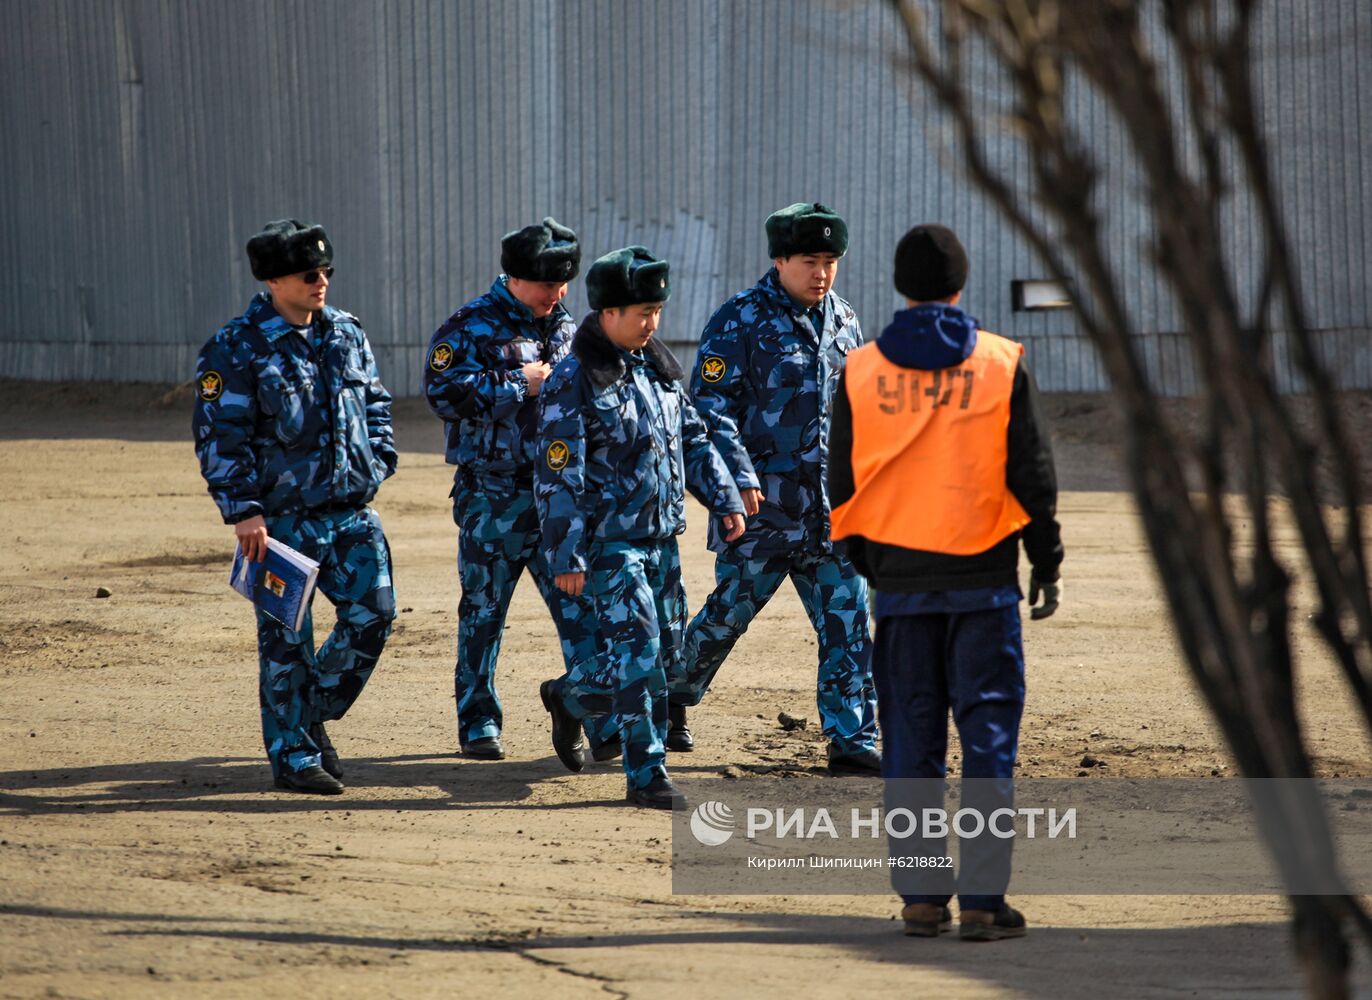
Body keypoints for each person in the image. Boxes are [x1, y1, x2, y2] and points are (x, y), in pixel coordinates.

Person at [828, 223, 1063, 941]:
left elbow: (841, 480)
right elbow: (1031, 471)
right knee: (988, 738)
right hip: (985, 580)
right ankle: (985, 903)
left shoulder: (861, 369)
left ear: (900, 288)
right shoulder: (1000, 361)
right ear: (960, 285)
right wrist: (1044, 556)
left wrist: (873, 563)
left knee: (909, 740)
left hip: (901, 584)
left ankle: (922, 898)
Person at [535, 247, 746, 809]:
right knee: (641, 658)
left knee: (668, 659)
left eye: (656, 309)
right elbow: (559, 477)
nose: (652, 322)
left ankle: (571, 698)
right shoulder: (573, 380)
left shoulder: (658, 368)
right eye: (640, 312)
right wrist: (566, 554)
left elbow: (695, 441)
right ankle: (646, 773)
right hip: (610, 546)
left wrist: (724, 499)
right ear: (606, 313)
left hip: (661, 540)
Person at [193, 219, 398, 795]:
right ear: (276, 279)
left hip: (352, 511)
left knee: (375, 615)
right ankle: (294, 757)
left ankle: (308, 713)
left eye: (327, 271)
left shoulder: (345, 333)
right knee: (285, 640)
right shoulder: (236, 347)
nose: (322, 281)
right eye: (310, 273)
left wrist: (378, 460)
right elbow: (219, 436)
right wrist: (242, 511)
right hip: (279, 520)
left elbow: (376, 404)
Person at [674, 202, 879, 775]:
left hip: (829, 514)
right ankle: (669, 698)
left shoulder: (845, 322)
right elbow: (710, 412)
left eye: (831, 261)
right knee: (723, 622)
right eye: (810, 261)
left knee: (847, 622)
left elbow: (858, 412)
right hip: (759, 511)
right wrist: (736, 479)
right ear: (781, 259)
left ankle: (852, 738)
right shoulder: (738, 320)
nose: (822, 273)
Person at [423, 218, 615, 761]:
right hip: (494, 498)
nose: (555, 295)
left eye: (562, 285)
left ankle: (597, 716)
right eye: (545, 285)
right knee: (484, 612)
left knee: (583, 611)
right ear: (513, 276)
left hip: (557, 499)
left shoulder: (564, 323)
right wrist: (519, 382)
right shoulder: (470, 326)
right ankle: (479, 722)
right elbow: (441, 393)